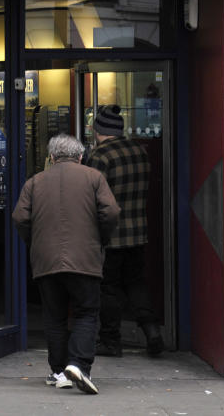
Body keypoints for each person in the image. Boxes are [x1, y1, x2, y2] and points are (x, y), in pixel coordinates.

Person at [13, 134, 120, 395]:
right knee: (86, 312)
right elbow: (111, 212)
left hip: (46, 260)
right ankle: (79, 365)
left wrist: (35, 242)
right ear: (81, 156)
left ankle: (59, 371)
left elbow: (20, 218)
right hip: (85, 258)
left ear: (51, 157)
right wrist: (100, 239)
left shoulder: (35, 182)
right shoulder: (94, 178)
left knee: (55, 317)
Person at [86, 104, 163, 357]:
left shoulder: (101, 156)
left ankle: (110, 340)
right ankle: (151, 330)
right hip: (138, 231)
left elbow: (92, 196)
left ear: (100, 131)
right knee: (136, 283)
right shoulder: (138, 151)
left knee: (109, 288)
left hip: (111, 234)